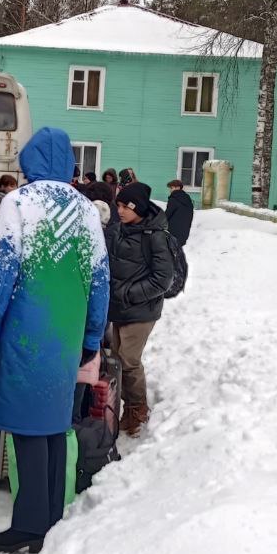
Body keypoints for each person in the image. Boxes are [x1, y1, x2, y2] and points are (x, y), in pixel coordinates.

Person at [0, 128, 109, 554]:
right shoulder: (87, 210)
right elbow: (101, 279)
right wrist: (91, 336)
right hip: (67, 333)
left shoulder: (19, 203)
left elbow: (0, 274)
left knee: (27, 428)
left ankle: (29, 526)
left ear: (30, 161)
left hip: (25, 331)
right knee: (54, 426)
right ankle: (52, 520)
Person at [106, 182, 175, 438]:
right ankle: (121, 405)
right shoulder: (118, 230)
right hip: (120, 307)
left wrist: (128, 293)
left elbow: (162, 279)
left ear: (138, 208)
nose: (120, 211)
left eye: (125, 206)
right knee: (115, 359)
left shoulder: (155, 235)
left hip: (142, 309)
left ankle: (137, 408)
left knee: (128, 360)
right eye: (119, 206)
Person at [165, 179, 195, 246]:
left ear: (178, 187)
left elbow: (167, 215)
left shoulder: (173, 199)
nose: (170, 190)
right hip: (184, 232)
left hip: (172, 232)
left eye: (172, 188)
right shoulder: (188, 200)